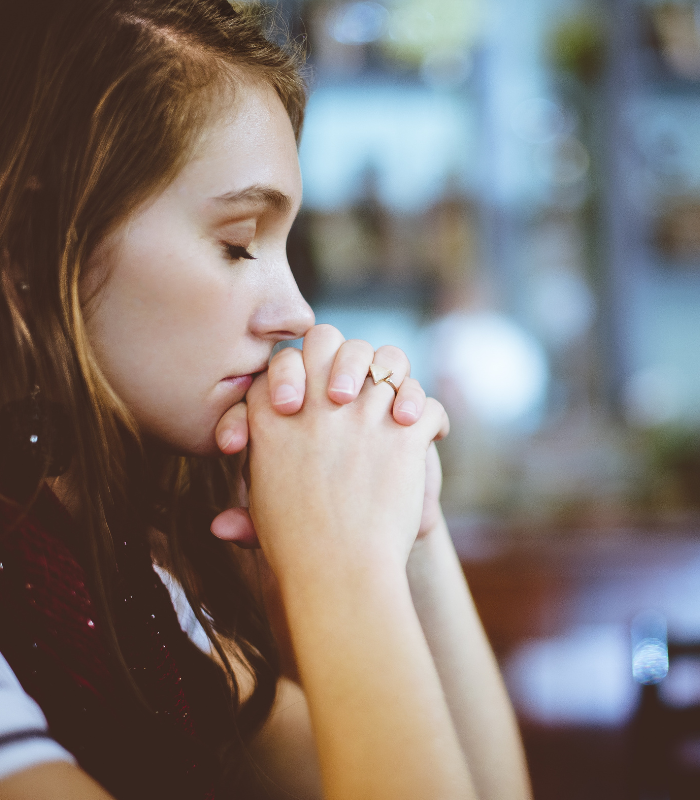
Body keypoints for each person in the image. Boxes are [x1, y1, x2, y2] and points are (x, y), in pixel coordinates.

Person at [0, 1, 532, 798]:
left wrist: (405, 526)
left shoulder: (122, 574)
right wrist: (341, 565)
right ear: (41, 235)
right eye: (238, 241)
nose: (297, 314)